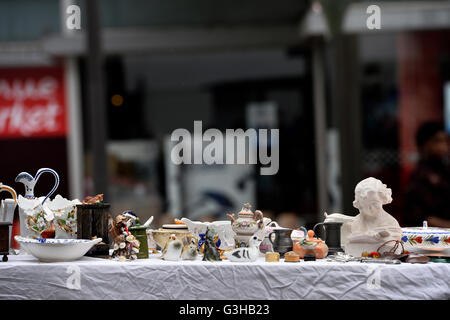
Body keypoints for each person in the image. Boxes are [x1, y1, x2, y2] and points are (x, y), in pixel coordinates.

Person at [404, 121, 450, 227]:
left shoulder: (445, 170)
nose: (443, 147)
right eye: (437, 141)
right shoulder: (419, 176)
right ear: (424, 144)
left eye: (445, 141)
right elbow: (418, 217)